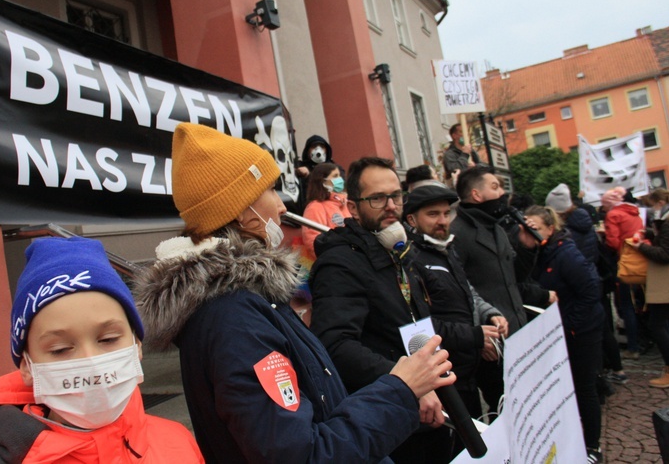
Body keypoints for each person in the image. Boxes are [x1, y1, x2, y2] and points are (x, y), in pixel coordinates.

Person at [134, 123, 455, 463]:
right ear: (242, 211)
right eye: (271, 190)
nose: (282, 207)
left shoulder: (249, 299)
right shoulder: (233, 319)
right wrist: (399, 390)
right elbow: (303, 454)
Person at [0, 236, 203, 463]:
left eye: (108, 339)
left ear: (136, 345)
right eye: (60, 349)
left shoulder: (178, 441)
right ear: (27, 366)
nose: (91, 363)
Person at [309, 157, 472, 463]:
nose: (390, 206)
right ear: (353, 207)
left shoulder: (395, 250)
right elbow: (336, 346)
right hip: (392, 422)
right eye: (377, 198)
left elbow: (412, 322)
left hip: (429, 409)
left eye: (396, 196)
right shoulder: (340, 264)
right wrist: (406, 383)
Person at [450, 166, 552, 417]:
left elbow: (514, 276)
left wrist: (527, 246)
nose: (503, 193)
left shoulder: (496, 229)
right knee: (507, 409)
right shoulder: (458, 233)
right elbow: (460, 290)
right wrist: (478, 334)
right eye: (495, 187)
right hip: (492, 341)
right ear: (476, 194)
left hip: (518, 332)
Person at [402, 184, 509, 425]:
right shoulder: (410, 260)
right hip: (446, 377)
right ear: (412, 219)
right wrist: (475, 336)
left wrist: (490, 315)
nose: (442, 220)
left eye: (445, 213)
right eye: (432, 214)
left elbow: (468, 292)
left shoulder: (447, 249)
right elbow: (418, 324)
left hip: (470, 368)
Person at [526, 205, 605, 464]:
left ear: (550, 228)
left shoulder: (566, 253)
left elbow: (591, 291)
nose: (530, 232)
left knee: (584, 388)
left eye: (535, 228)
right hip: (558, 331)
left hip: (580, 330)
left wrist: (570, 325)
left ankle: (593, 447)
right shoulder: (537, 253)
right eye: (526, 227)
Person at [546, 183, 627, 387]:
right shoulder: (584, 221)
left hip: (581, 284)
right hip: (594, 278)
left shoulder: (568, 233)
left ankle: (598, 376)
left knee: (590, 334)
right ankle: (617, 369)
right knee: (603, 328)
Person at [632, 188, 669, 387]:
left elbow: (665, 254)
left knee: (657, 324)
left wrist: (641, 247)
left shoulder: (668, 220)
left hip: (666, 283)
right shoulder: (665, 219)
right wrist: (648, 233)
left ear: (660, 203)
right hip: (665, 283)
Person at [601, 186, 645, 360]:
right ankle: (641, 341)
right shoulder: (635, 212)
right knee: (638, 304)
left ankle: (633, 347)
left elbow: (613, 243)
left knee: (626, 305)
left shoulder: (613, 215)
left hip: (623, 264)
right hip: (638, 262)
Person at [300, 162, 351, 260]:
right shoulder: (315, 207)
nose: (340, 179)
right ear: (323, 181)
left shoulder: (346, 204)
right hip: (335, 262)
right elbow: (313, 241)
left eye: (339, 175)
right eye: (335, 176)